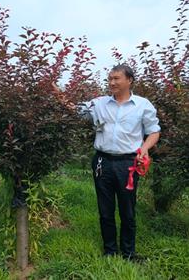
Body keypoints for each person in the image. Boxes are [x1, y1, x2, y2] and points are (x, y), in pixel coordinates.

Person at [53, 64, 160, 261]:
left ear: (129, 80)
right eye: (110, 78)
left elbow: (154, 131)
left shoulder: (143, 105)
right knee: (105, 209)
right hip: (102, 162)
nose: (111, 82)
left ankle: (128, 253)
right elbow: (77, 110)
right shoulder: (99, 103)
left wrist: (144, 149)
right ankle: (110, 251)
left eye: (116, 78)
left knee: (127, 210)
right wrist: (61, 98)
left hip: (128, 163)